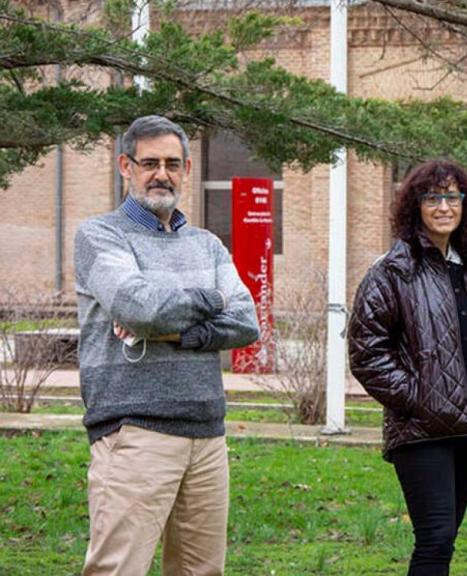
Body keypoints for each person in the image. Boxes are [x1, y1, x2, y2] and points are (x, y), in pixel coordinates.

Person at [74, 115, 260, 574]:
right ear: (125, 165)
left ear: (187, 168)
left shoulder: (208, 245)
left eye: (173, 164)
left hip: (206, 433)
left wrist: (179, 332)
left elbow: (247, 321)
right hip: (135, 431)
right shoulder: (100, 236)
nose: (162, 174)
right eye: (150, 162)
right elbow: (138, 305)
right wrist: (212, 300)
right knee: (118, 569)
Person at [348, 160, 467, 576]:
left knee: (445, 541)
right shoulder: (392, 272)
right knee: (435, 538)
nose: (444, 207)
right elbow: (366, 353)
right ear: (415, 206)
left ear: (466, 204)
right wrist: (421, 400)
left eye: (452, 197)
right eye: (432, 198)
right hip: (422, 430)